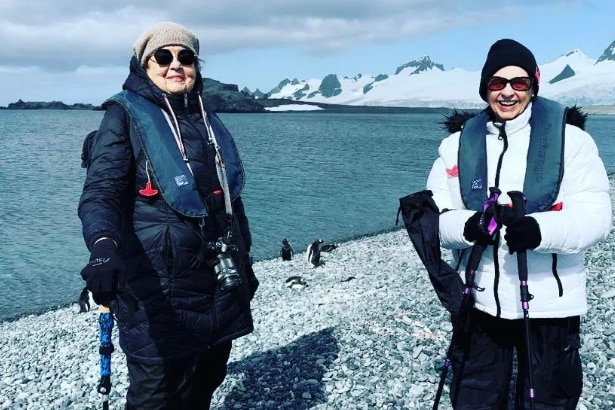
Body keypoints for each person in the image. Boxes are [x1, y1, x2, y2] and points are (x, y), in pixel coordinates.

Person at [78, 22, 259, 409]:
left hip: (218, 280)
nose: (175, 65)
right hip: (158, 285)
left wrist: (247, 262)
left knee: (207, 378)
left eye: (186, 57)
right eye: (163, 56)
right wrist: (102, 248)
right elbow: (100, 193)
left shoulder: (207, 119)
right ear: (145, 65)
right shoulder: (123, 117)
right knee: (157, 393)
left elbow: (230, 198)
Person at [425, 38, 612, 409]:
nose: (508, 92)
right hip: (478, 300)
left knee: (548, 399)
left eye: (519, 83)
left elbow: (596, 216)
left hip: (550, 301)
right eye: (497, 83)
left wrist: (540, 231)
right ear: (485, 88)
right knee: (472, 395)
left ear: (534, 85)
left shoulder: (571, 142)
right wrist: (469, 226)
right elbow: (434, 218)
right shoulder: (457, 145)